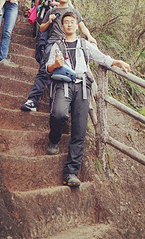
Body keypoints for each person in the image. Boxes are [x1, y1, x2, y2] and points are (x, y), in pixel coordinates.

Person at [46, 11, 130, 187]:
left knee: (80, 129)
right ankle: (54, 138)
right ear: (62, 27)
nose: (69, 24)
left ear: (77, 26)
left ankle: (70, 173)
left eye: (72, 22)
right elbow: (48, 68)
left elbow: (103, 59)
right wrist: (56, 64)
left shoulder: (85, 44)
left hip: (83, 86)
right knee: (58, 114)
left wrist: (118, 62)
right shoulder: (57, 45)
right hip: (64, 84)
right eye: (66, 22)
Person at [21, 0, 96, 111]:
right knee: (45, 69)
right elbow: (41, 28)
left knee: (69, 71)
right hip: (53, 43)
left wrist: (89, 37)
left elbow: (82, 26)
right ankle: (33, 100)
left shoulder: (74, 12)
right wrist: (49, 21)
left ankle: (61, 104)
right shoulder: (52, 11)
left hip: (70, 43)